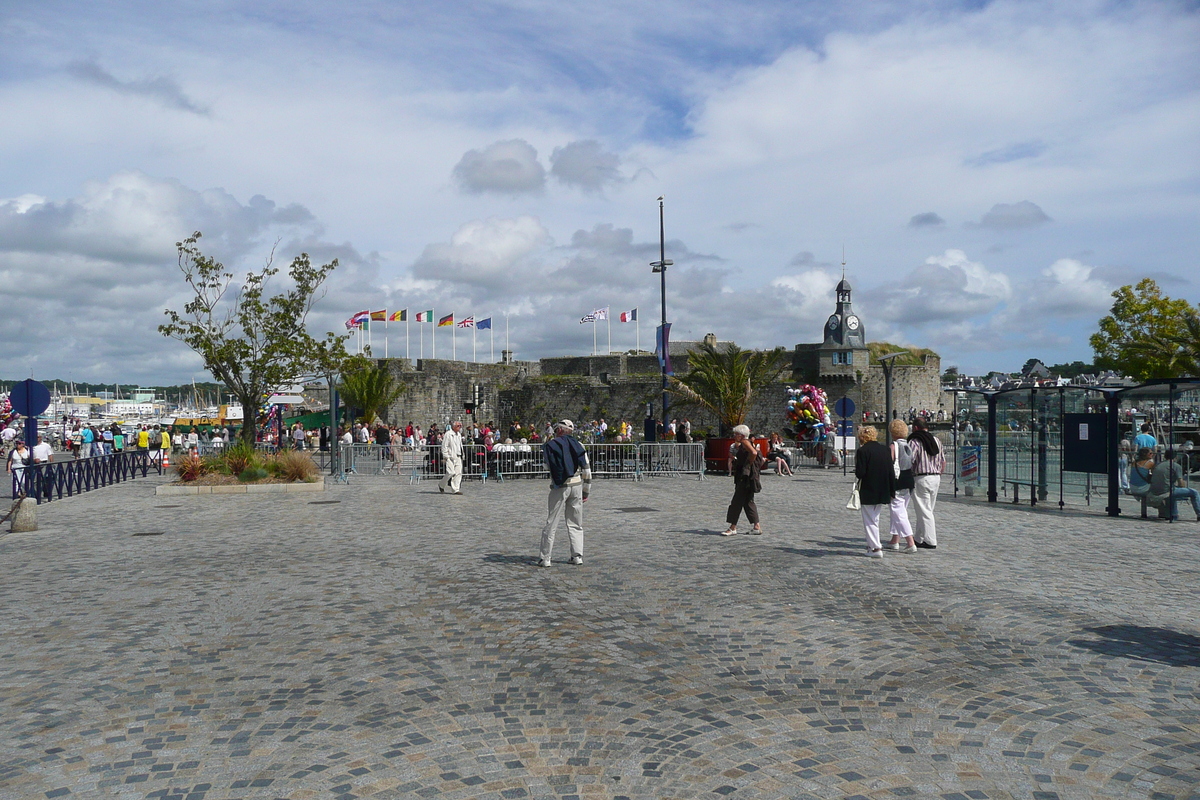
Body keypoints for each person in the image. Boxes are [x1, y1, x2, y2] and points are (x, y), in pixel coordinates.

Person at [537, 420, 591, 567]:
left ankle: (546, 558)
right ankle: (577, 556)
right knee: (576, 523)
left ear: (560, 430)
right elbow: (587, 469)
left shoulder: (551, 445)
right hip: (577, 484)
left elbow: (545, 466)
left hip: (560, 486)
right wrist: (586, 491)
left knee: (552, 522)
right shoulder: (578, 445)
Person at [854, 425, 895, 558]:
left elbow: (860, 473)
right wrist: (892, 490)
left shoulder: (862, 451)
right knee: (875, 518)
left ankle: (875, 548)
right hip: (883, 488)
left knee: (869, 519)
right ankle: (873, 545)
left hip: (868, 488)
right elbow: (891, 471)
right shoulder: (884, 450)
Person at [908, 418, 946, 549]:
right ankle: (918, 538)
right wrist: (938, 473)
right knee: (926, 509)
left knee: (924, 511)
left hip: (921, 477)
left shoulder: (915, 441)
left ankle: (930, 540)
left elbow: (909, 460)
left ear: (916, 428)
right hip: (935, 477)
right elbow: (943, 461)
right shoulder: (937, 440)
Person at [722, 424, 763, 535]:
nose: (734, 436)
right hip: (749, 477)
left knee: (737, 501)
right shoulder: (746, 443)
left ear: (741, 435)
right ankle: (756, 527)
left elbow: (753, 453)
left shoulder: (745, 442)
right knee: (748, 502)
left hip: (745, 477)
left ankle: (732, 527)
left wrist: (748, 463)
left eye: (736, 434)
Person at [884, 419, 917, 553]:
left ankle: (910, 542)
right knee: (900, 509)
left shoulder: (894, 446)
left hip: (897, 480)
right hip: (908, 479)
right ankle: (895, 539)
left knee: (898, 511)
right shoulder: (908, 445)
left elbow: (888, 463)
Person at [1149, 448, 1200, 521]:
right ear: (1176, 457)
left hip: (1154, 490)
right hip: (1167, 491)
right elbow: (1181, 483)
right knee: (1194, 493)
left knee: (1172, 491)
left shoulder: (1158, 465)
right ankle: (1199, 514)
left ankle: (1173, 514)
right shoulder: (1175, 466)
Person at [439, 420, 465, 495]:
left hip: (458, 456)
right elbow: (444, 445)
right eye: (458, 426)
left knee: (458, 473)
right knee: (450, 472)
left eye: (460, 426)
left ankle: (456, 489)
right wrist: (446, 456)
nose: (459, 427)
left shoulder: (459, 435)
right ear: (453, 426)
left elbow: (460, 445)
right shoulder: (448, 434)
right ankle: (441, 484)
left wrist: (462, 454)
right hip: (450, 456)